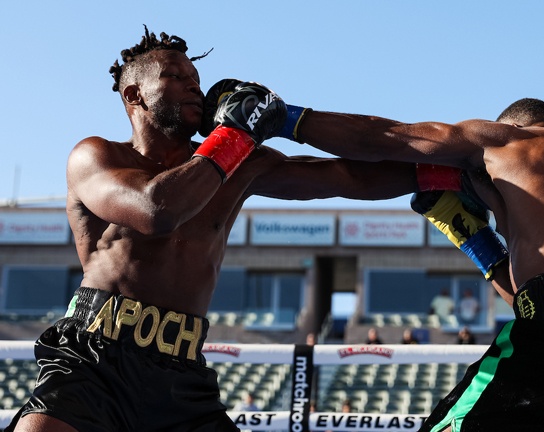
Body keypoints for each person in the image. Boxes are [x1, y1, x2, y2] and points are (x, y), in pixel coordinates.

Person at [4, 28, 456, 432]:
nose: (193, 87)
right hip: (93, 361)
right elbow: (156, 209)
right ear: (134, 96)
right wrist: (235, 136)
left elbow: (340, 177)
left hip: (180, 372)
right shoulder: (96, 156)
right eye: (175, 77)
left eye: (196, 80)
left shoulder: (238, 164)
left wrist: (448, 173)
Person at [272, 97, 544, 430]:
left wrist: (282, 116)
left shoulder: (508, 142)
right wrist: (472, 238)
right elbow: (541, 299)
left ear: (507, 126)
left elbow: (383, 138)